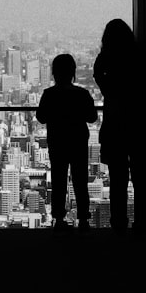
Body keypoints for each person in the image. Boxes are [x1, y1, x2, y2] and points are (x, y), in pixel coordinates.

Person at [93, 19, 146, 236]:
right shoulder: (141, 54)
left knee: (118, 180)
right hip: (140, 121)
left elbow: (97, 75)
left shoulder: (107, 57)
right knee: (141, 178)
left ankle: (118, 222)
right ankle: (142, 222)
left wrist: (110, 90)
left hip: (116, 123)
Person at [36, 54, 98, 232]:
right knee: (80, 181)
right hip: (78, 140)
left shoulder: (49, 94)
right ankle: (84, 219)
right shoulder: (82, 94)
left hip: (57, 141)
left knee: (58, 180)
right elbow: (92, 117)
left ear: (54, 73)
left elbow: (41, 117)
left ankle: (58, 218)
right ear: (73, 73)